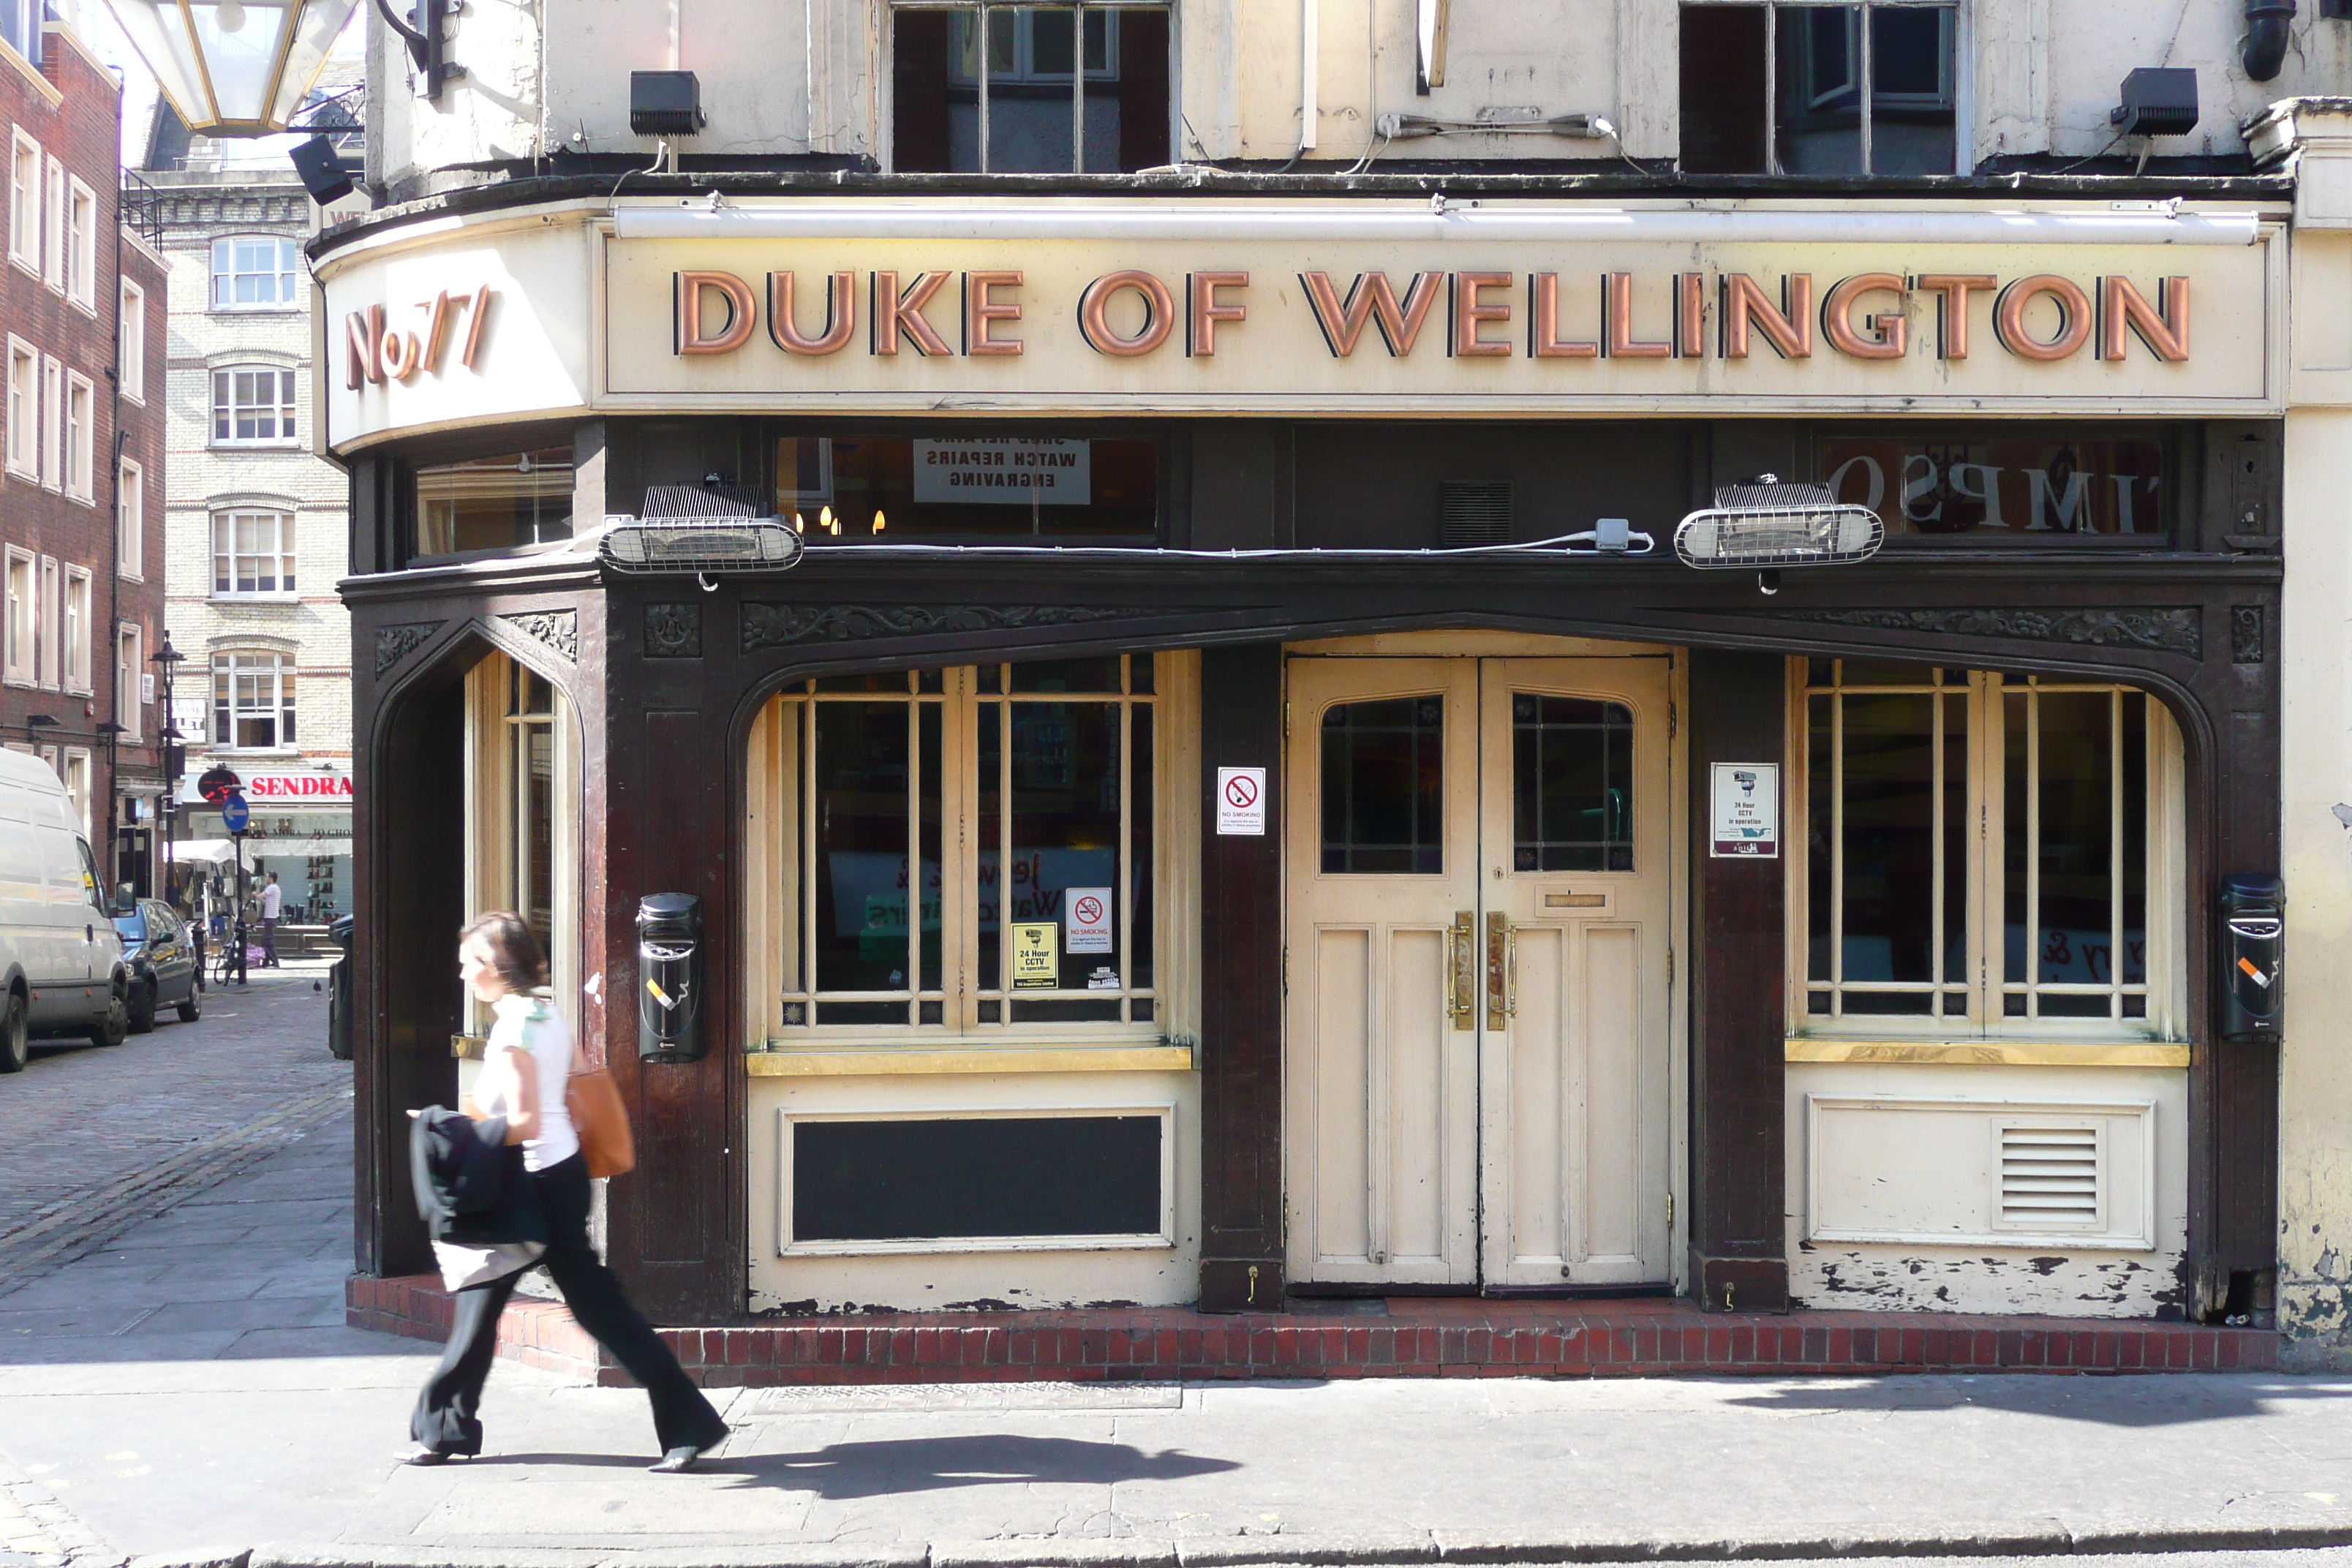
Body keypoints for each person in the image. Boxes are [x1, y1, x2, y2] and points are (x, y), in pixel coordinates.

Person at [407, 912, 727, 1473]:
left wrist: (445, 1126)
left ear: (493, 968)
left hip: (531, 1186)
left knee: (594, 1314)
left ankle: (689, 1426)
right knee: (500, 1310)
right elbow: (577, 1090)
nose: (461, 974)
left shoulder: (511, 1031)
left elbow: (526, 1121)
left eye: (468, 964)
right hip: (560, 1176)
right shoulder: (547, 1014)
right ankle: (444, 1430)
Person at [258, 872, 282, 966]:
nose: (266, 879)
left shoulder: (271, 888)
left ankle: (275, 962)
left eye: (267, 877)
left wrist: (255, 894)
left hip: (271, 917)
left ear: (271, 879)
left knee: (268, 940)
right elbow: (266, 902)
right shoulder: (276, 888)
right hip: (271, 917)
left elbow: (260, 896)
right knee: (266, 940)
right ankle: (266, 962)